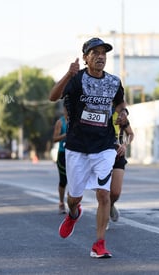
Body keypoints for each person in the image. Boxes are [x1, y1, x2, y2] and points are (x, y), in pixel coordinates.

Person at [49, 37, 128, 258]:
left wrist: (123, 113)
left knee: (104, 194)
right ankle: (73, 214)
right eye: (95, 53)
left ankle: (99, 244)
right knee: (74, 199)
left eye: (103, 53)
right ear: (86, 58)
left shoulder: (114, 81)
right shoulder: (76, 80)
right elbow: (52, 96)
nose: (100, 56)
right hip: (77, 147)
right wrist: (68, 74)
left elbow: (120, 102)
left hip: (104, 145)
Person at [108, 109, 134, 227]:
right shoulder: (99, 109)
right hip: (102, 154)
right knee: (103, 191)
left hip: (118, 155)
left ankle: (109, 205)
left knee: (116, 192)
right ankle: (103, 218)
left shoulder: (120, 115)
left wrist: (124, 145)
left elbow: (131, 134)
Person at [52, 104, 68, 214]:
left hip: (75, 153)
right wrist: (65, 135)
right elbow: (54, 138)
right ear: (64, 109)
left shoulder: (77, 120)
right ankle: (61, 203)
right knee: (63, 180)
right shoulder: (60, 122)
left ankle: (73, 203)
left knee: (74, 180)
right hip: (63, 154)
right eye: (67, 108)